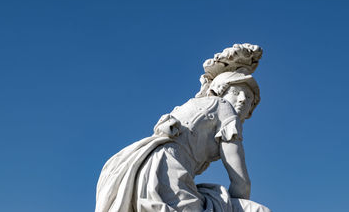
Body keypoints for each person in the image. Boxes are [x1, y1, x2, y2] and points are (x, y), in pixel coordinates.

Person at [96, 64, 271, 211]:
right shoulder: (225, 109)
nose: (242, 100)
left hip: (142, 168)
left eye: (249, 98)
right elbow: (241, 182)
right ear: (220, 92)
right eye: (236, 92)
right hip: (168, 174)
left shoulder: (191, 105)